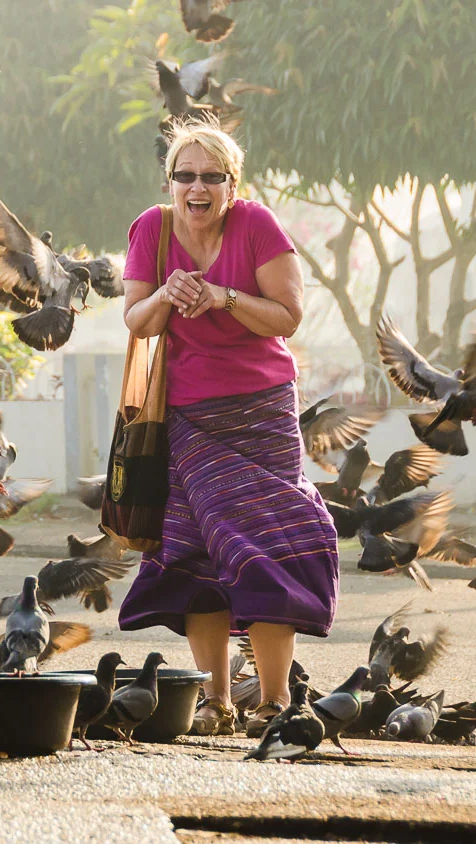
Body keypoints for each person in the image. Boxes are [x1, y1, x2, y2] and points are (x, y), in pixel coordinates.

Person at [118, 119, 339, 739]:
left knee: (267, 543)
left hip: (261, 412)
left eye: (211, 177)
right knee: (194, 551)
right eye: (184, 176)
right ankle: (216, 701)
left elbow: (288, 317)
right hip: (186, 417)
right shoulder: (152, 229)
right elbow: (137, 321)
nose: (197, 188)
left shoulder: (257, 226)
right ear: (170, 182)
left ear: (231, 185)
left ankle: (274, 701)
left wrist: (223, 298)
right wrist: (168, 291)